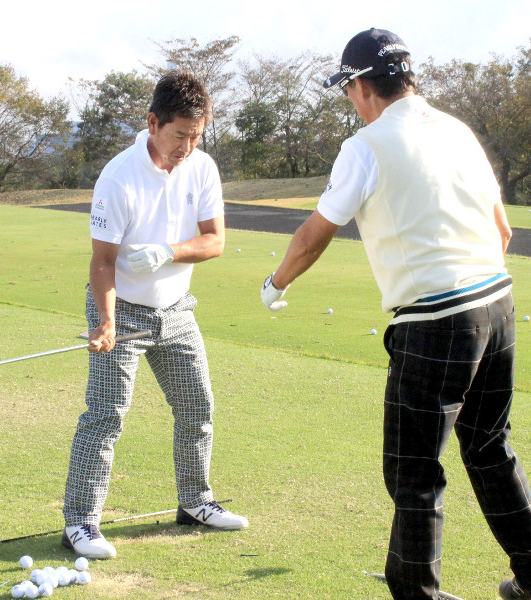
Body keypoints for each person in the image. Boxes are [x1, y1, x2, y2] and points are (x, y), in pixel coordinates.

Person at [260, 27, 531, 600]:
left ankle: (417, 596)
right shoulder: (457, 130)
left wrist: (275, 282)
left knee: (413, 472)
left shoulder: (366, 146)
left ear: (360, 85)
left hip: (434, 321)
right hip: (498, 305)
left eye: (348, 90)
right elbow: (501, 228)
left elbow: (314, 235)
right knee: (489, 447)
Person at [62, 70, 248, 560]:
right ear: (152, 122)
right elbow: (102, 262)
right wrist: (105, 322)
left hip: (176, 308)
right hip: (120, 309)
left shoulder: (202, 168)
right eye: (180, 134)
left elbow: (216, 241)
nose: (188, 146)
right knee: (105, 416)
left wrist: (168, 251)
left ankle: (196, 502)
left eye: (197, 135)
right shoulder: (118, 177)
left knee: (198, 408)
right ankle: (80, 524)